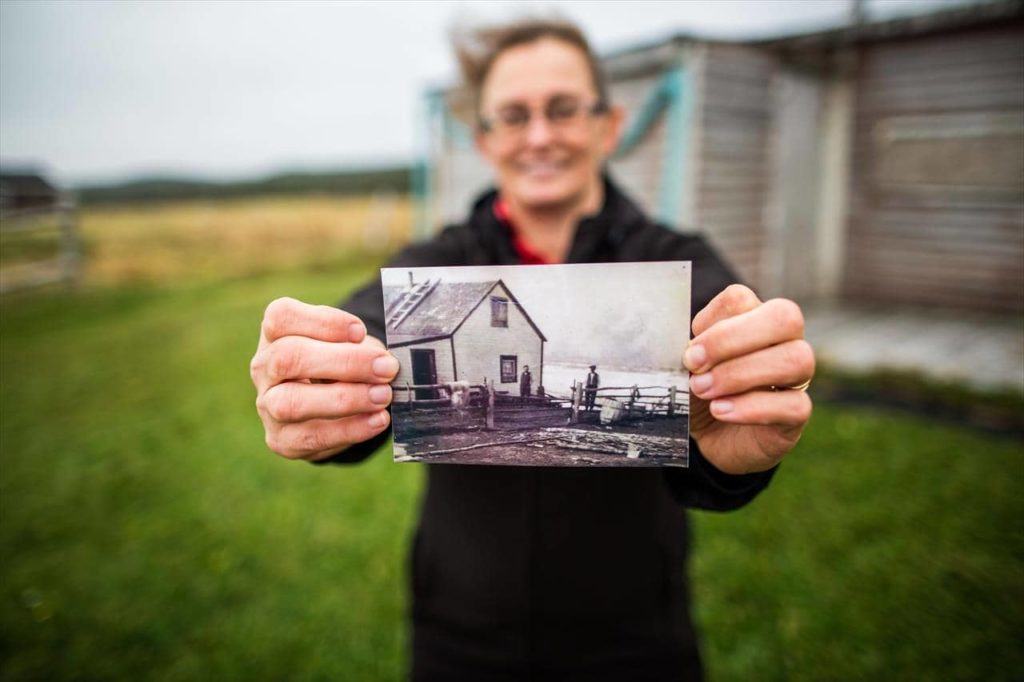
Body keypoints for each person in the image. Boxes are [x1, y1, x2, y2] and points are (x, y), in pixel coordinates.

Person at [250, 17, 814, 681]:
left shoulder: (677, 266)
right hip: (460, 638)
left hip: (635, 639)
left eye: (564, 109)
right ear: (485, 140)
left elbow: (720, 414)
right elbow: (365, 337)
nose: (540, 135)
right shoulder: (438, 267)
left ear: (608, 125)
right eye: (513, 116)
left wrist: (737, 443)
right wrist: (318, 387)